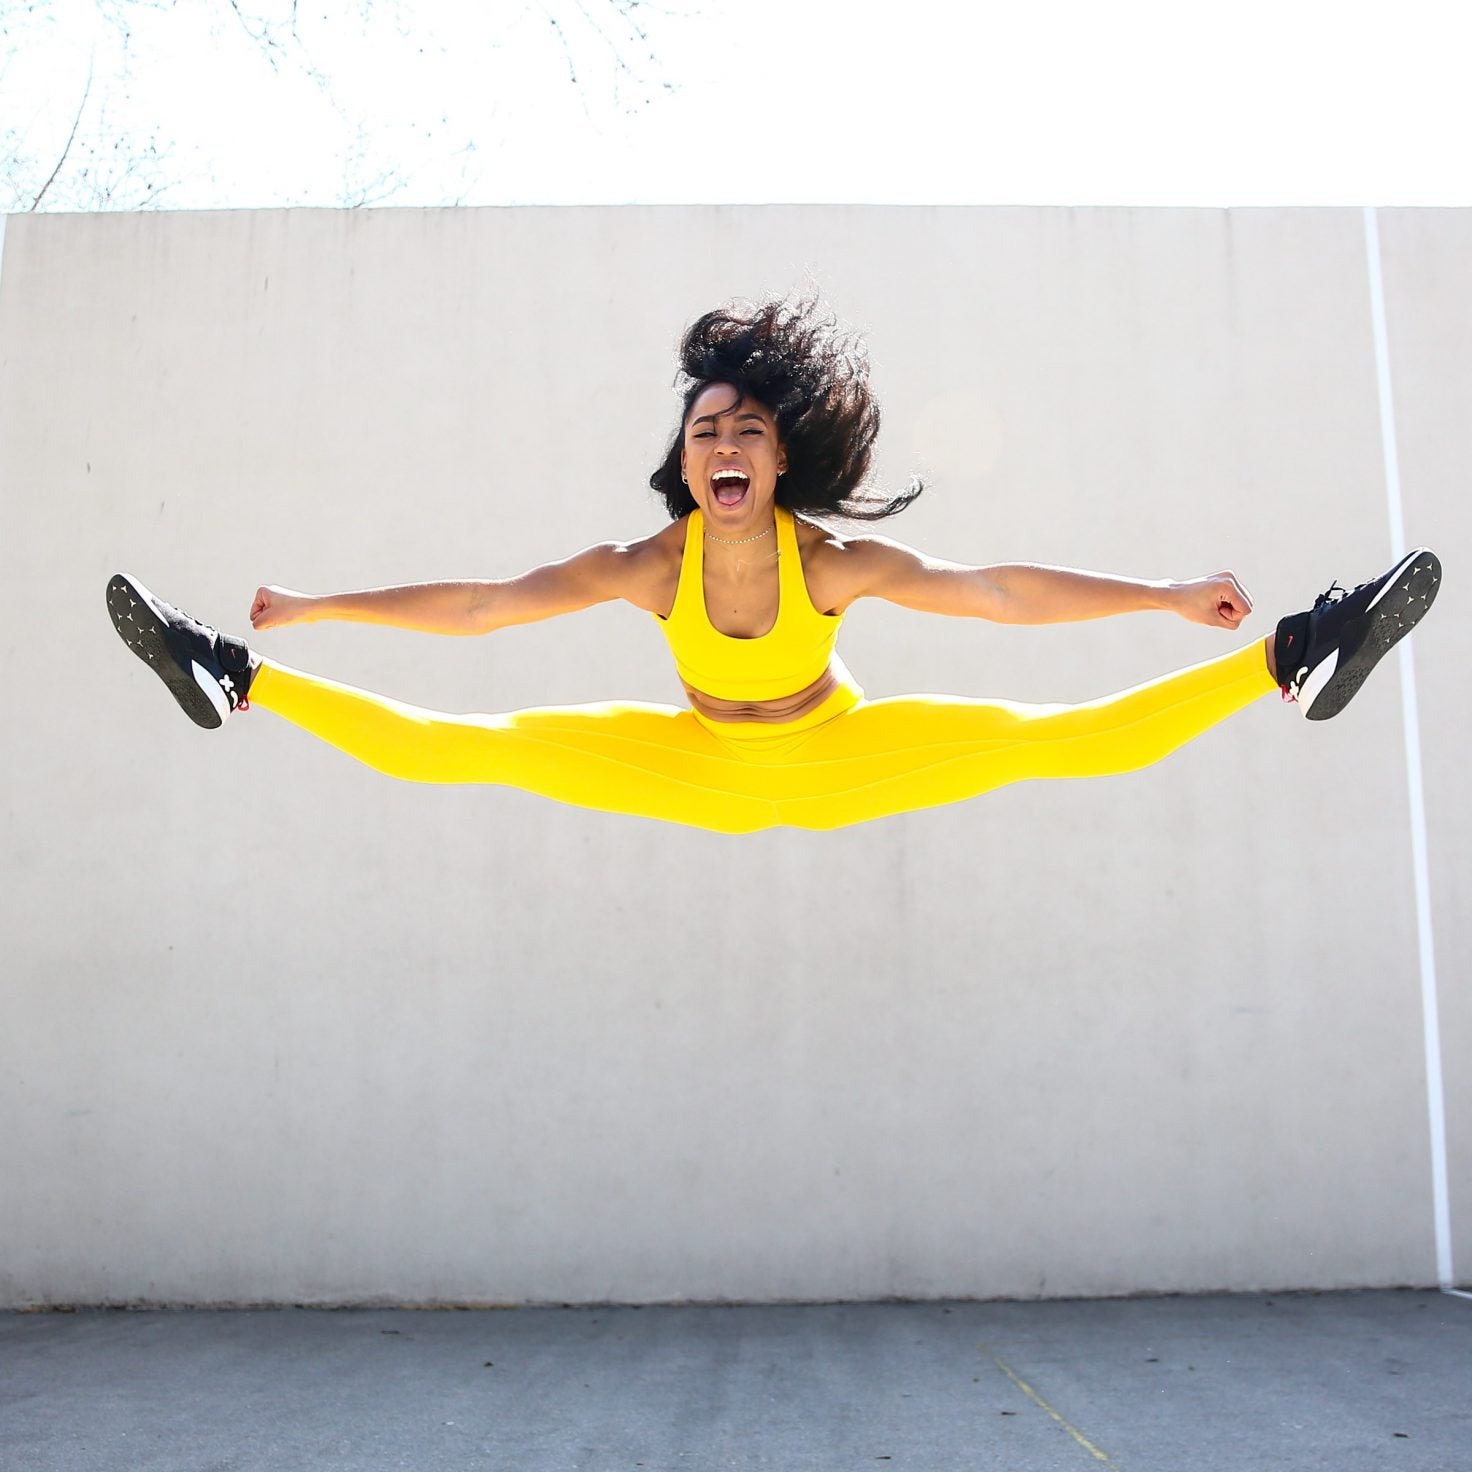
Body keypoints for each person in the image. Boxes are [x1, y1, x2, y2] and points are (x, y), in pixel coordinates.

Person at [106, 297, 1441, 835]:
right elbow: (480, 607)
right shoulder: (647, 565)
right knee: (473, 748)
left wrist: (1164, 595)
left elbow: (997, 595)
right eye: (706, 431)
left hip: (839, 752)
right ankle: (234, 676)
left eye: (747, 427)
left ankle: (1299, 655)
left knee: (1061, 742)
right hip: (692, 760)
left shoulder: (830, 562)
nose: (726, 442)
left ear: (781, 455)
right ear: (687, 466)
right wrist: (315, 608)